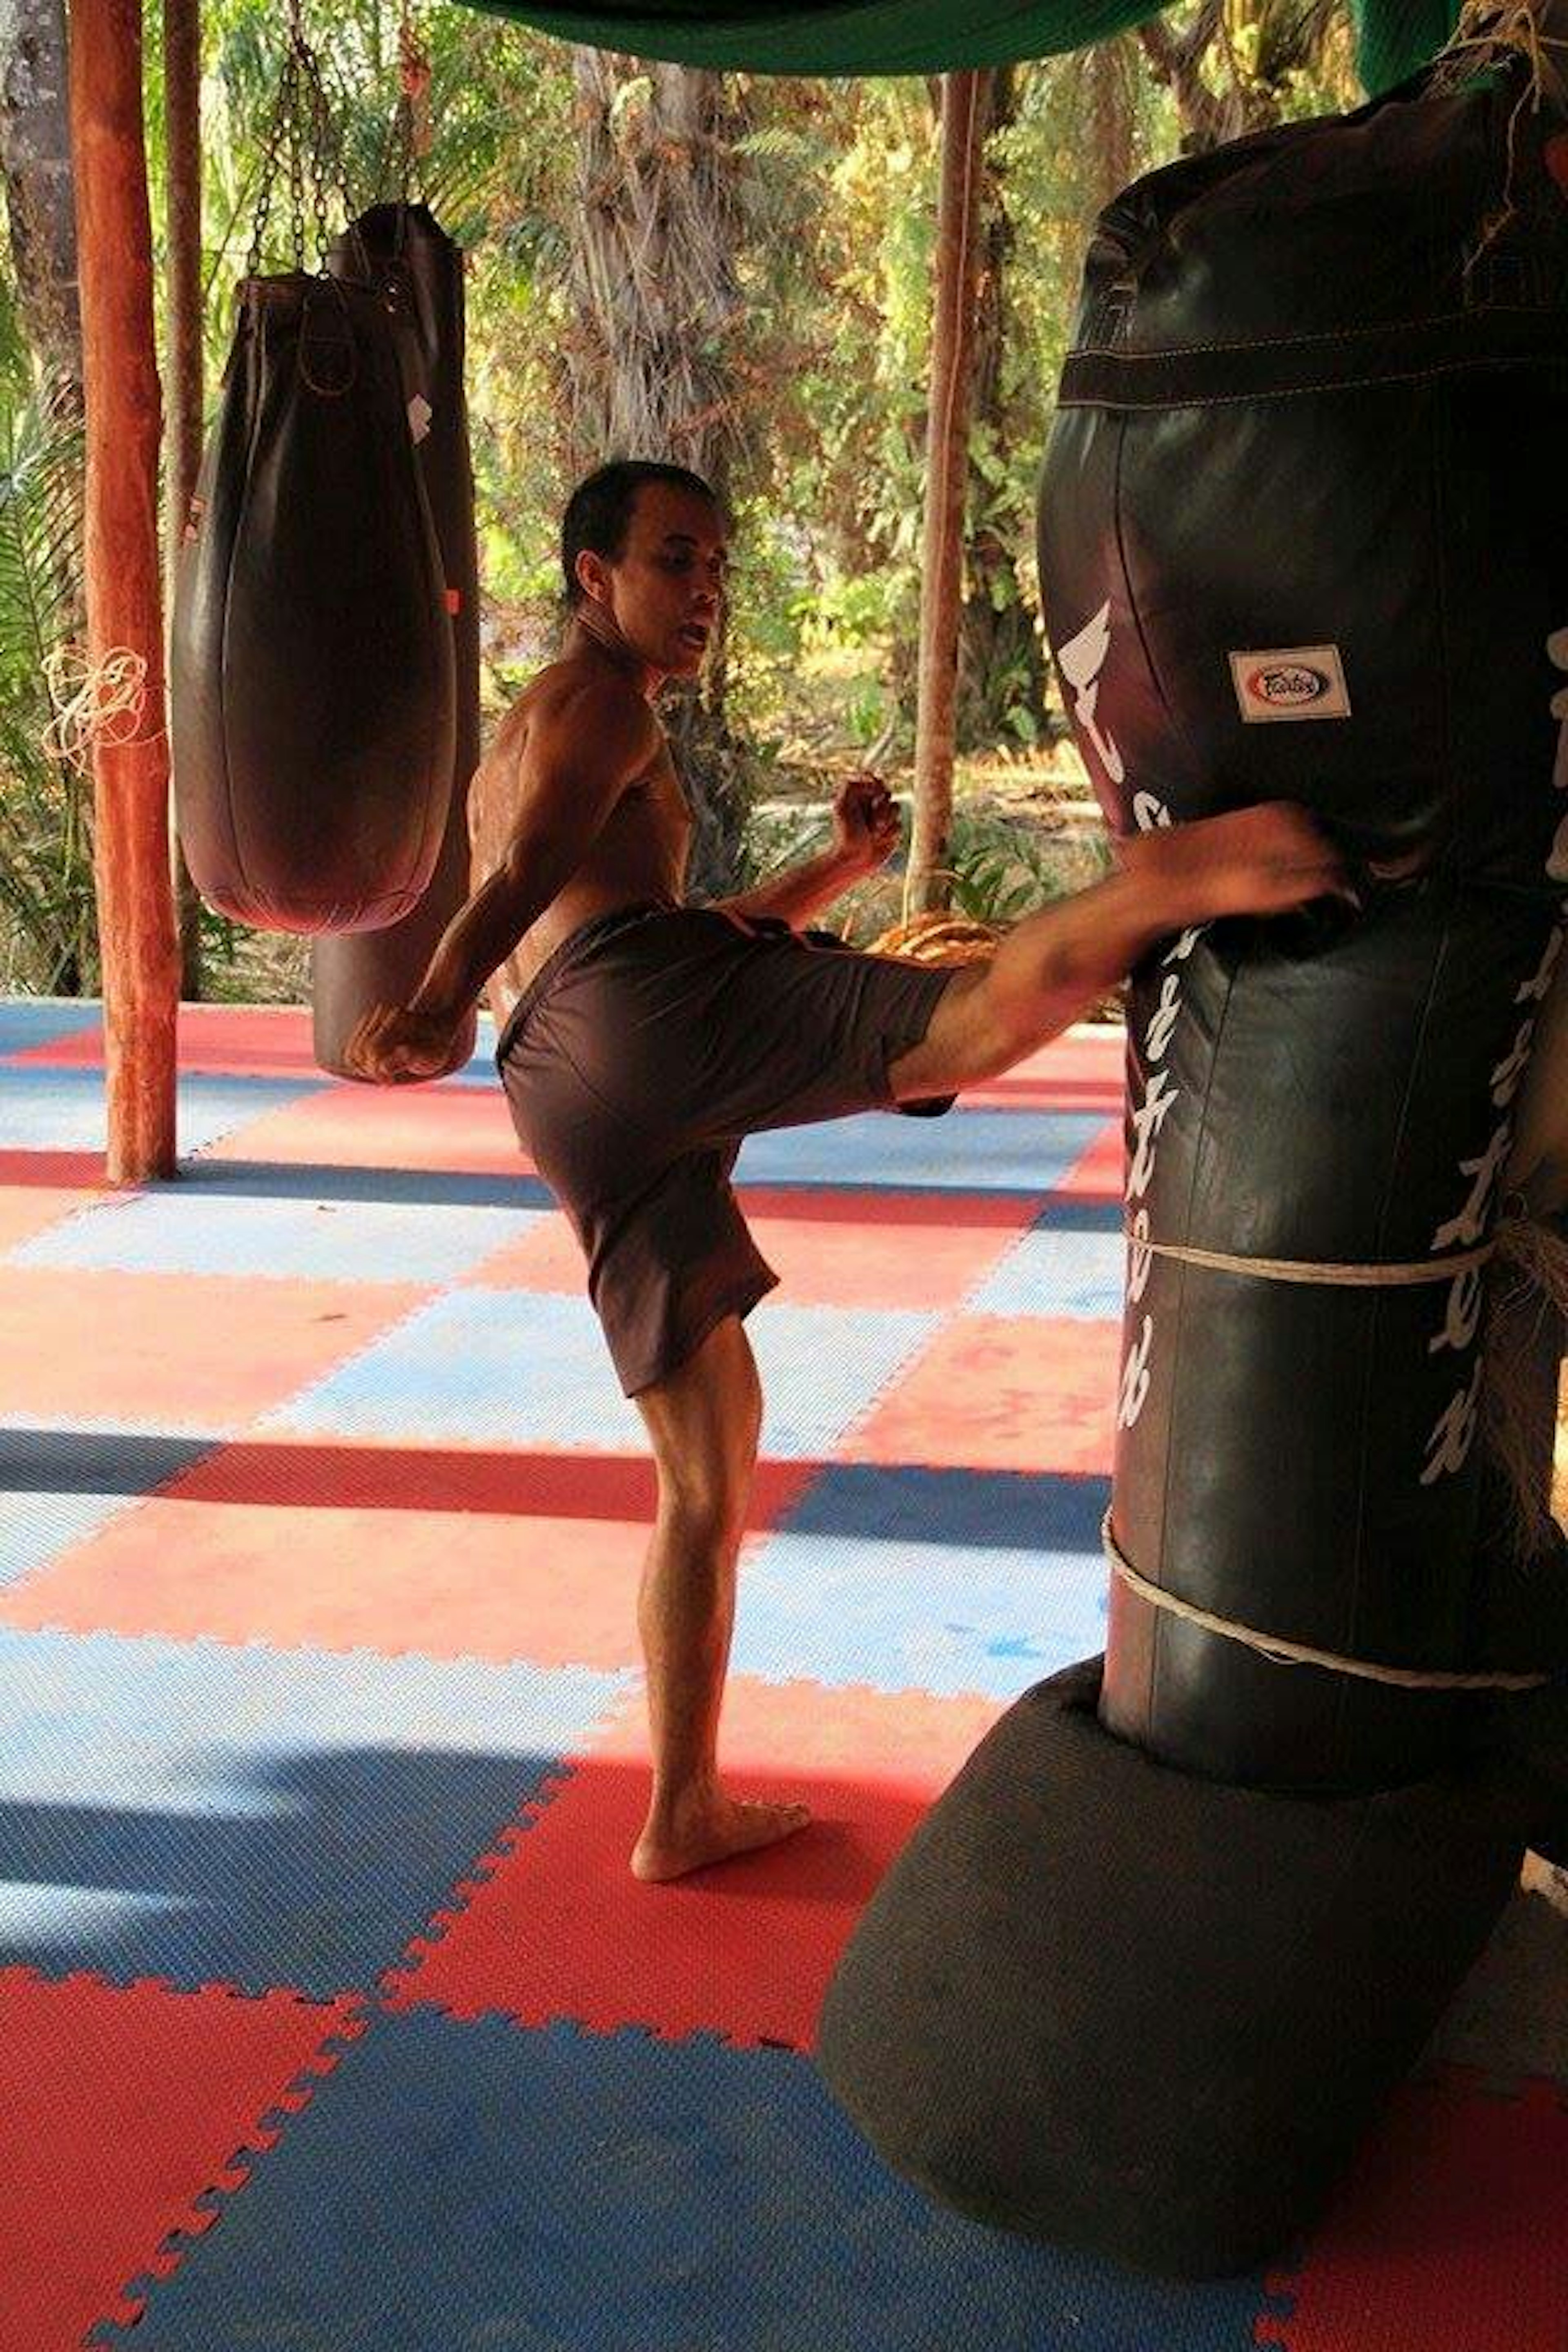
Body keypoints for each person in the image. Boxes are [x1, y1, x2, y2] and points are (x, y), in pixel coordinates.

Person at [345, 457, 1347, 1882]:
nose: (703, 593)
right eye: (673, 561)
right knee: (965, 1026)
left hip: (567, 1082)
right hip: (621, 1012)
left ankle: (677, 1812)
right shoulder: (600, 703)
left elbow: (602, 922)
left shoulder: (528, 729)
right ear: (591, 577)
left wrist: (827, 878)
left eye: (714, 566)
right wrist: (437, 990)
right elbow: (535, 885)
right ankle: (1171, 879)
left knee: (706, 1468)